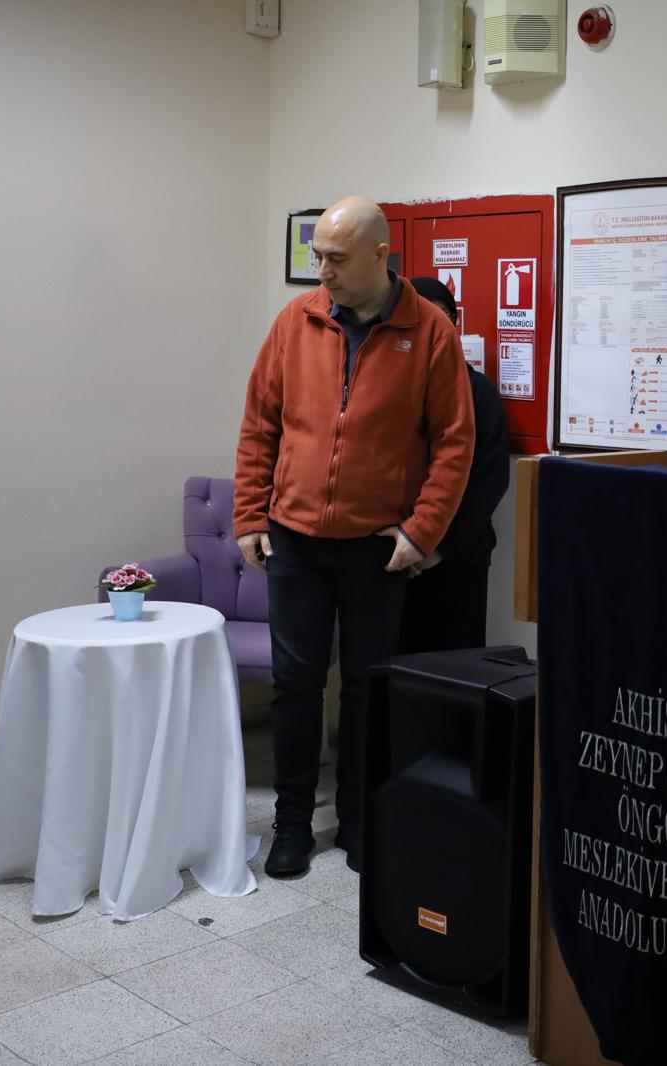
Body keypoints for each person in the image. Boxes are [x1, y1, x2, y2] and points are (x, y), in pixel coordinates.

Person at [233, 196, 475, 877]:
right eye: (318, 257)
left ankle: (361, 818)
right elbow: (260, 423)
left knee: (368, 686)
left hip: (376, 546)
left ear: (380, 255)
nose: (324, 272)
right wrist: (249, 514)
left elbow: (454, 443)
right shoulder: (296, 320)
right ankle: (290, 823)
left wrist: (421, 532)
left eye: (337, 259)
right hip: (295, 538)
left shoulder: (429, 331)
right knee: (295, 684)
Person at [400, 277, 511, 653]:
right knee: (393, 666)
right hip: (394, 554)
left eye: (442, 318)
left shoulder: (479, 392)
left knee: (456, 666)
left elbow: (488, 482)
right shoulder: (389, 389)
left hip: (457, 555)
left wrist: (434, 548)